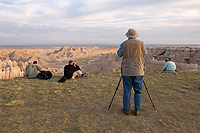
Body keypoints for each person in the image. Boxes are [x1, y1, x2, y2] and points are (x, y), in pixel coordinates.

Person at [117, 28, 147, 116]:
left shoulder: (124, 44)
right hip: (138, 70)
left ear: (128, 36)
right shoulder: (141, 43)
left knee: (127, 90)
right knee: (138, 91)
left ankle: (126, 109)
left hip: (127, 71)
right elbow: (145, 53)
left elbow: (119, 54)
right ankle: (137, 109)